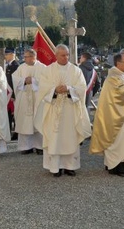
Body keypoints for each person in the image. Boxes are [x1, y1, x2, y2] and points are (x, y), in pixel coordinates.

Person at [34, 44, 92, 177]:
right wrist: (54, 90)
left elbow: (82, 88)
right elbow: (42, 88)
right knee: (55, 137)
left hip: (70, 109)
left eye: (67, 55)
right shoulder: (48, 70)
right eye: (62, 55)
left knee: (70, 137)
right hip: (53, 109)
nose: (66, 57)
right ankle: (55, 167)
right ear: (56, 55)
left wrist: (70, 89)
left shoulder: (75, 70)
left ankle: (70, 166)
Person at [90, 52, 124, 176]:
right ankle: (117, 165)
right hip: (117, 116)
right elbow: (118, 95)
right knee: (119, 140)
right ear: (118, 63)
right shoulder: (113, 77)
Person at [12, 48, 46, 154]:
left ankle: (40, 146)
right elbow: (15, 78)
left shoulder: (43, 68)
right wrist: (24, 81)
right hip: (24, 97)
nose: (24, 58)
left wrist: (34, 81)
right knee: (24, 122)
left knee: (38, 121)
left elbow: (47, 81)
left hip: (38, 98)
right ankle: (26, 147)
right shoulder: (21, 67)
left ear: (33, 57)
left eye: (26, 56)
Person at [4, 48, 20, 140]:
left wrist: (13, 94)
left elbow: (16, 81)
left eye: (7, 54)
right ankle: (9, 132)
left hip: (13, 93)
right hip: (8, 93)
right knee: (9, 114)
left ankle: (17, 133)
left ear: (12, 54)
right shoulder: (8, 65)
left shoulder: (15, 65)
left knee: (15, 114)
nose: (6, 56)